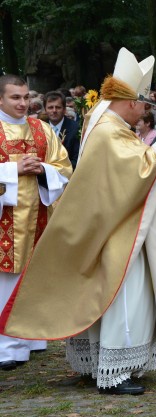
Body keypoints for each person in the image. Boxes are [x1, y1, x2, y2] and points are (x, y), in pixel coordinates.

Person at [0, 48, 156, 394]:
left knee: (105, 298)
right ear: (129, 102)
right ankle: (115, 372)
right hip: (118, 236)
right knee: (124, 300)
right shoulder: (111, 131)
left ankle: (97, 365)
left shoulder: (108, 125)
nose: (146, 111)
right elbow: (145, 169)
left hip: (110, 227)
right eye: (144, 104)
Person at [0, 75, 73, 371]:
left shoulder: (41, 128)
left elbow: (64, 167)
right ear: (1, 99)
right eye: (15, 97)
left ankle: (31, 338)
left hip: (38, 217)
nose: (23, 103)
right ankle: (6, 345)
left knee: (33, 278)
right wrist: (12, 169)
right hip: (5, 221)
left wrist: (41, 169)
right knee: (5, 283)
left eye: (26, 97)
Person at [43, 90, 80, 168]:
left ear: (64, 109)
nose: (54, 111)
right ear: (45, 110)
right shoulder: (40, 128)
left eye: (58, 107)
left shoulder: (76, 129)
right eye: (50, 107)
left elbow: (77, 160)